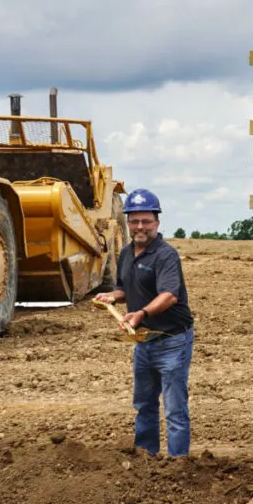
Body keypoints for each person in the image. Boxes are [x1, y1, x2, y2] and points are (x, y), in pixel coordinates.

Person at [94, 188, 195, 458]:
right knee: (144, 404)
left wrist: (141, 314)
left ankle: (177, 464)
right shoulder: (127, 253)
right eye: (135, 221)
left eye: (146, 221)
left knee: (174, 410)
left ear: (157, 222)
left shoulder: (165, 255)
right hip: (144, 343)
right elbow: (124, 287)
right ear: (127, 223)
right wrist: (112, 296)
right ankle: (146, 460)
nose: (140, 227)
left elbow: (170, 295)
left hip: (172, 340)